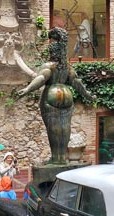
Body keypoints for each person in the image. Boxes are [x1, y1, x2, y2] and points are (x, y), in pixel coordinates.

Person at [17, 27, 95, 164]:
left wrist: (27, 89)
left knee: (54, 129)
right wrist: (88, 95)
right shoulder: (67, 67)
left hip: (52, 95)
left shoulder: (49, 66)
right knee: (65, 128)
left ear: (52, 52)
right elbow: (77, 83)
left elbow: (41, 78)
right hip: (67, 96)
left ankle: (55, 158)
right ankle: (62, 158)